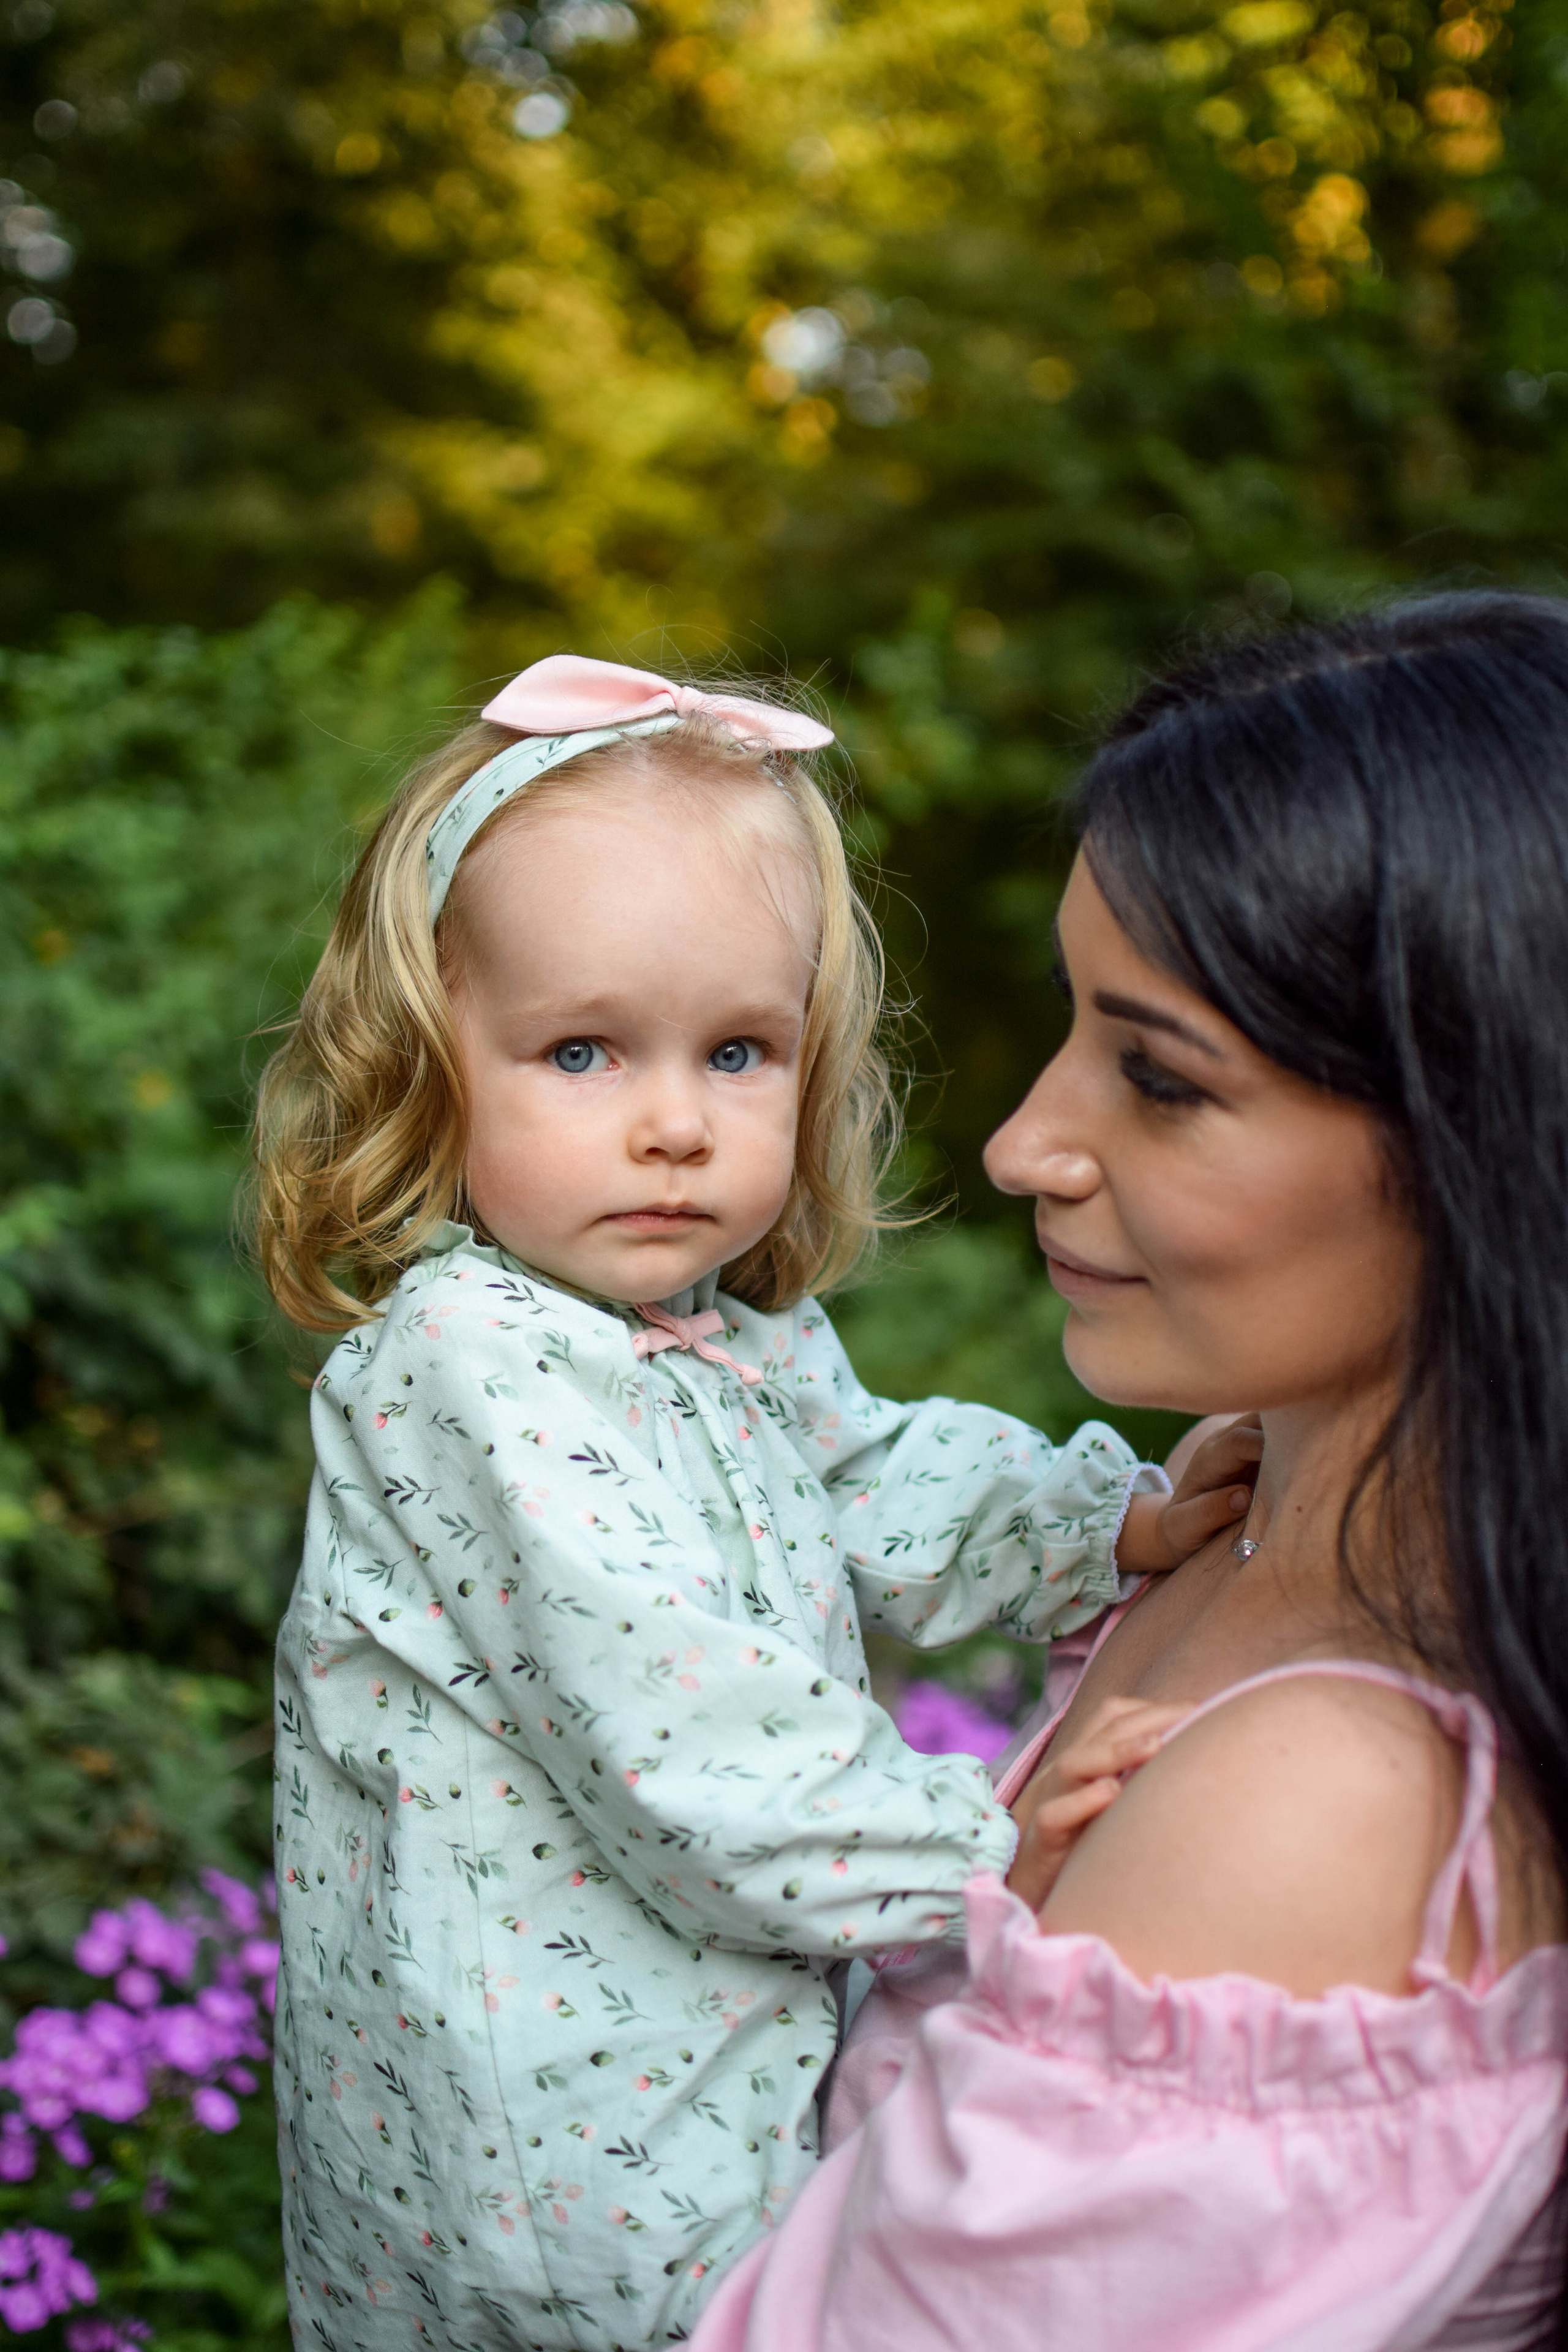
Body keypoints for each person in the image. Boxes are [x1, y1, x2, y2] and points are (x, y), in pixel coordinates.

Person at [251, 655, 1250, 2350]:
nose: (670, 1126)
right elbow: (686, 1743)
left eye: (735, 1052)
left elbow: (874, 1475)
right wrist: (985, 1850)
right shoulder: (471, 1370)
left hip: (695, 2061)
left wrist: (1108, 1522)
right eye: (581, 1051)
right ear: (434, 1066)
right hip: (554, 2157)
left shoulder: (714, 1341)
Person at [691, 592, 1568, 2352]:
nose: (1026, 1141)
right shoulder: (1235, 1510)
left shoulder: (1330, 1798)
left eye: (1160, 1080)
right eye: (1077, 1025)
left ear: (1489, 1138)